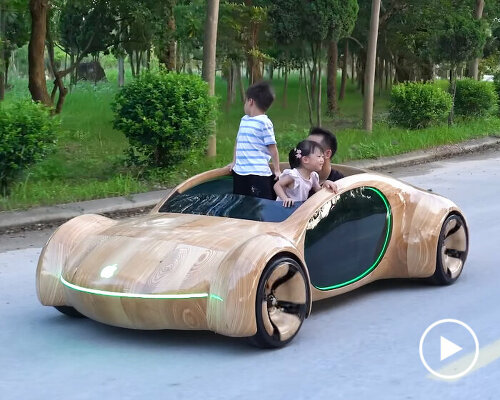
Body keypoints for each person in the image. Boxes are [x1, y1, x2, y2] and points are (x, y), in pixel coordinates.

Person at [228, 81, 281, 200]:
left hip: (258, 174)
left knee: (259, 204)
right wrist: (234, 162)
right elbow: (238, 142)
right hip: (240, 172)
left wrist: (277, 170)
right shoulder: (244, 120)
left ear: (250, 101)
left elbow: (273, 149)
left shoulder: (264, 122)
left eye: (245, 101)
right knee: (240, 203)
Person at [274, 140, 337, 207]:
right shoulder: (294, 176)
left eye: (322, 156)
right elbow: (277, 185)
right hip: (283, 208)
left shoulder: (313, 176)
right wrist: (285, 198)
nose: (322, 160)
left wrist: (325, 184)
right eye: (319, 156)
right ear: (305, 160)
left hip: (297, 209)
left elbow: (318, 191)